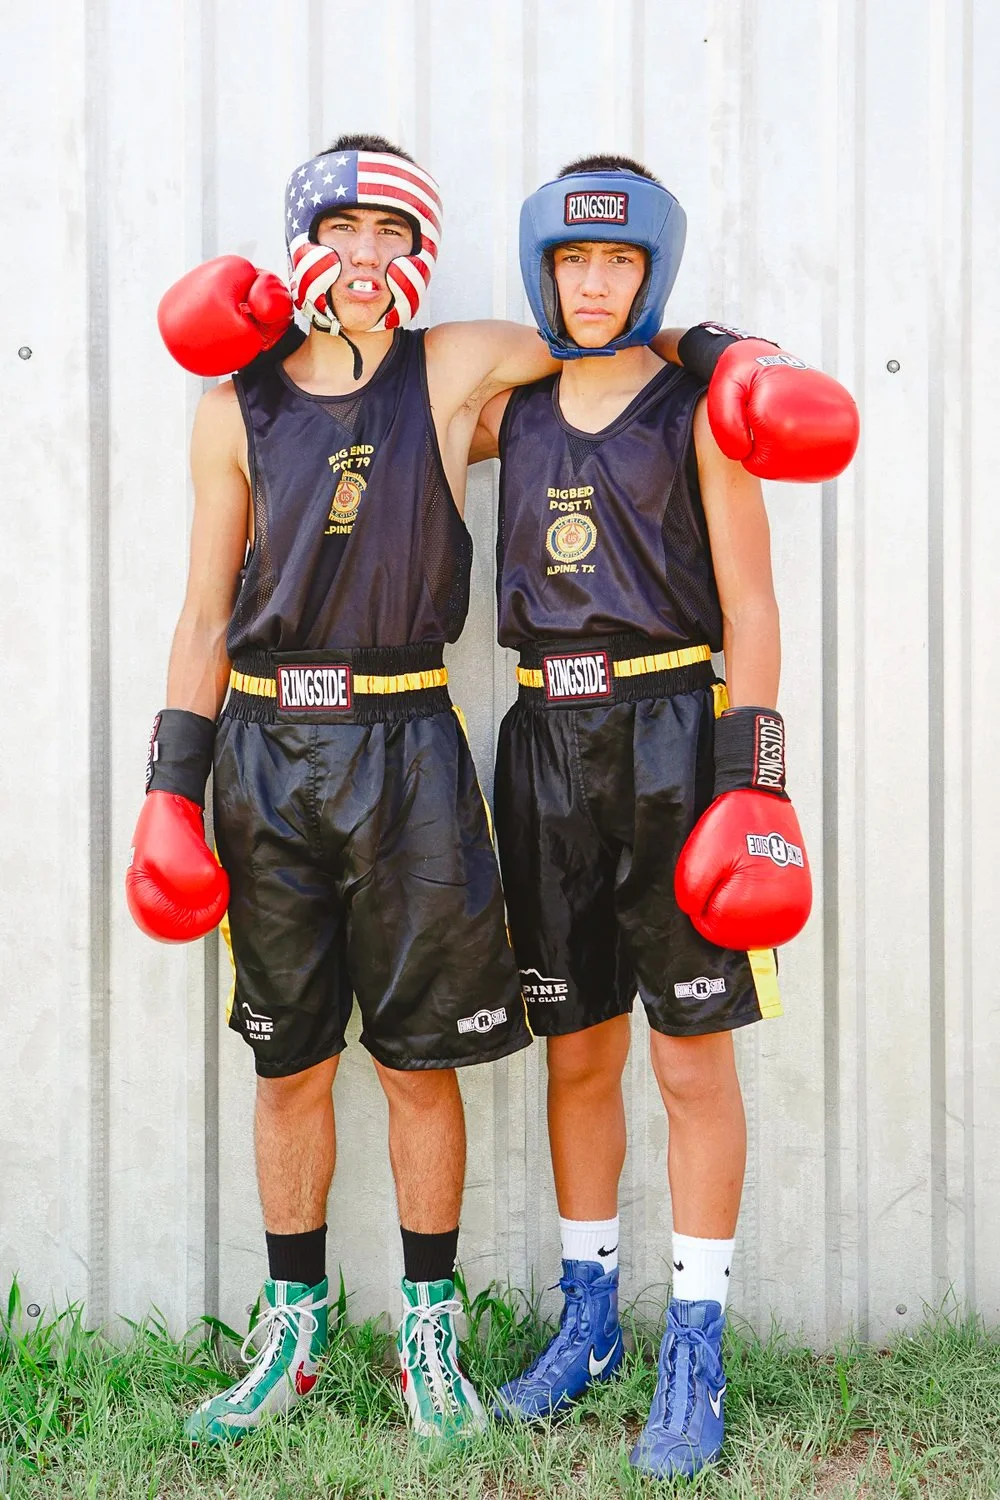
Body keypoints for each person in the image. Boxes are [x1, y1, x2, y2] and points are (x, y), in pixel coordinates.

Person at [126, 133, 855, 1449]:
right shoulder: (296, 403)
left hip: (549, 743)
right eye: (337, 233)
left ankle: (600, 1342)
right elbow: (220, 594)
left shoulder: (505, 375)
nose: (361, 261)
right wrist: (167, 786)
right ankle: (424, 1328)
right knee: (430, 1060)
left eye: (388, 234)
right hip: (384, 750)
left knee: (564, 1063)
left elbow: (638, 387)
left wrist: (735, 350)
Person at [473, 155, 832, 1480]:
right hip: (545, 741)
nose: (595, 281)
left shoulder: (700, 406)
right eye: (574, 258)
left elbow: (753, 605)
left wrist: (758, 781)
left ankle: (694, 1336)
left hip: (682, 739)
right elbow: (389, 411)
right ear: (542, 264)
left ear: (653, 268)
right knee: (576, 1049)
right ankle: (590, 1324)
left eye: (621, 262)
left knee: (691, 1061)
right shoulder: (504, 404)